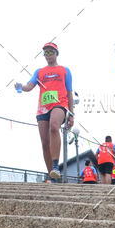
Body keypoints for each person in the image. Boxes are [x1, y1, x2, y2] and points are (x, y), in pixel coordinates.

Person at [15, 41, 74, 181]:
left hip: (60, 104)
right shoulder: (39, 72)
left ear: (56, 53)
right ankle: (52, 175)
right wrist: (20, 86)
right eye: (46, 52)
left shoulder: (65, 70)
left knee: (54, 126)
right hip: (43, 109)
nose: (48, 55)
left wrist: (71, 114)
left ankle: (55, 166)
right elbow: (29, 86)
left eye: (51, 52)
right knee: (44, 142)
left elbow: (70, 92)